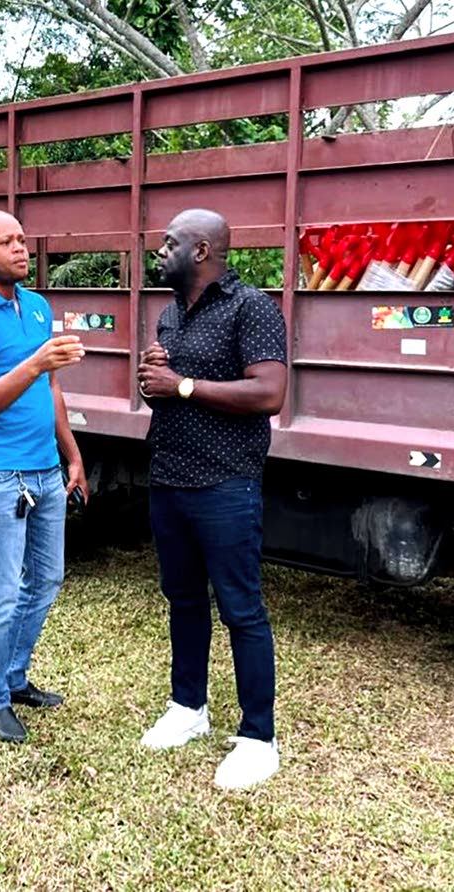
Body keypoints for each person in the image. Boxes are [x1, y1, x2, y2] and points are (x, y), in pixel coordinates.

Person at [136, 208, 287, 790]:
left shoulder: (251, 307)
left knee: (241, 609)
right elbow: (167, 397)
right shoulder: (170, 314)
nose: (159, 252)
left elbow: (269, 392)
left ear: (200, 251)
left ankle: (258, 738)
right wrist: (157, 382)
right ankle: (187, 708)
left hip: (226, 482)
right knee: (182, 600)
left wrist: (184, 384)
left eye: (168, 244)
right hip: (169, 478)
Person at [0, 210, 88, 744]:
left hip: (46, 471)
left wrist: (71, 454)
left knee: (46, 580)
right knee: (0, 593)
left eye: (24, 239)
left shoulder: (38, 306)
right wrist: (33, 363)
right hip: (1, 475)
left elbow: (49, 390)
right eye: (7, 242)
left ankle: (14, 676)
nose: (21, 248)